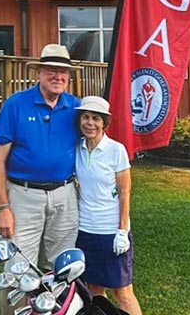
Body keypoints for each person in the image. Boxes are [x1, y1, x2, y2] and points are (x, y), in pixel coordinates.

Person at [0, 43, 82, 313]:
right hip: (23, 196)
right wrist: (2, 208)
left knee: (62, 267)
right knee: (18, 268)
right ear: (39, 73)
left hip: (65, 194)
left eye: (63, 72)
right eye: (52, 70)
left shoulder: (75, 107)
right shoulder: (16, 105)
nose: (58, 77)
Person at [74, 96, 143, 315]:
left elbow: (125, 191)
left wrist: (122, 230)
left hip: (111, 232)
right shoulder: (77, 149)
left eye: (96, 118)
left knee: (122, 293)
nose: (90, 123)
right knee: (94, 290)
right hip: (85, 231)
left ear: (105, 122)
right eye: (85, 117)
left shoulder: (116, 150)